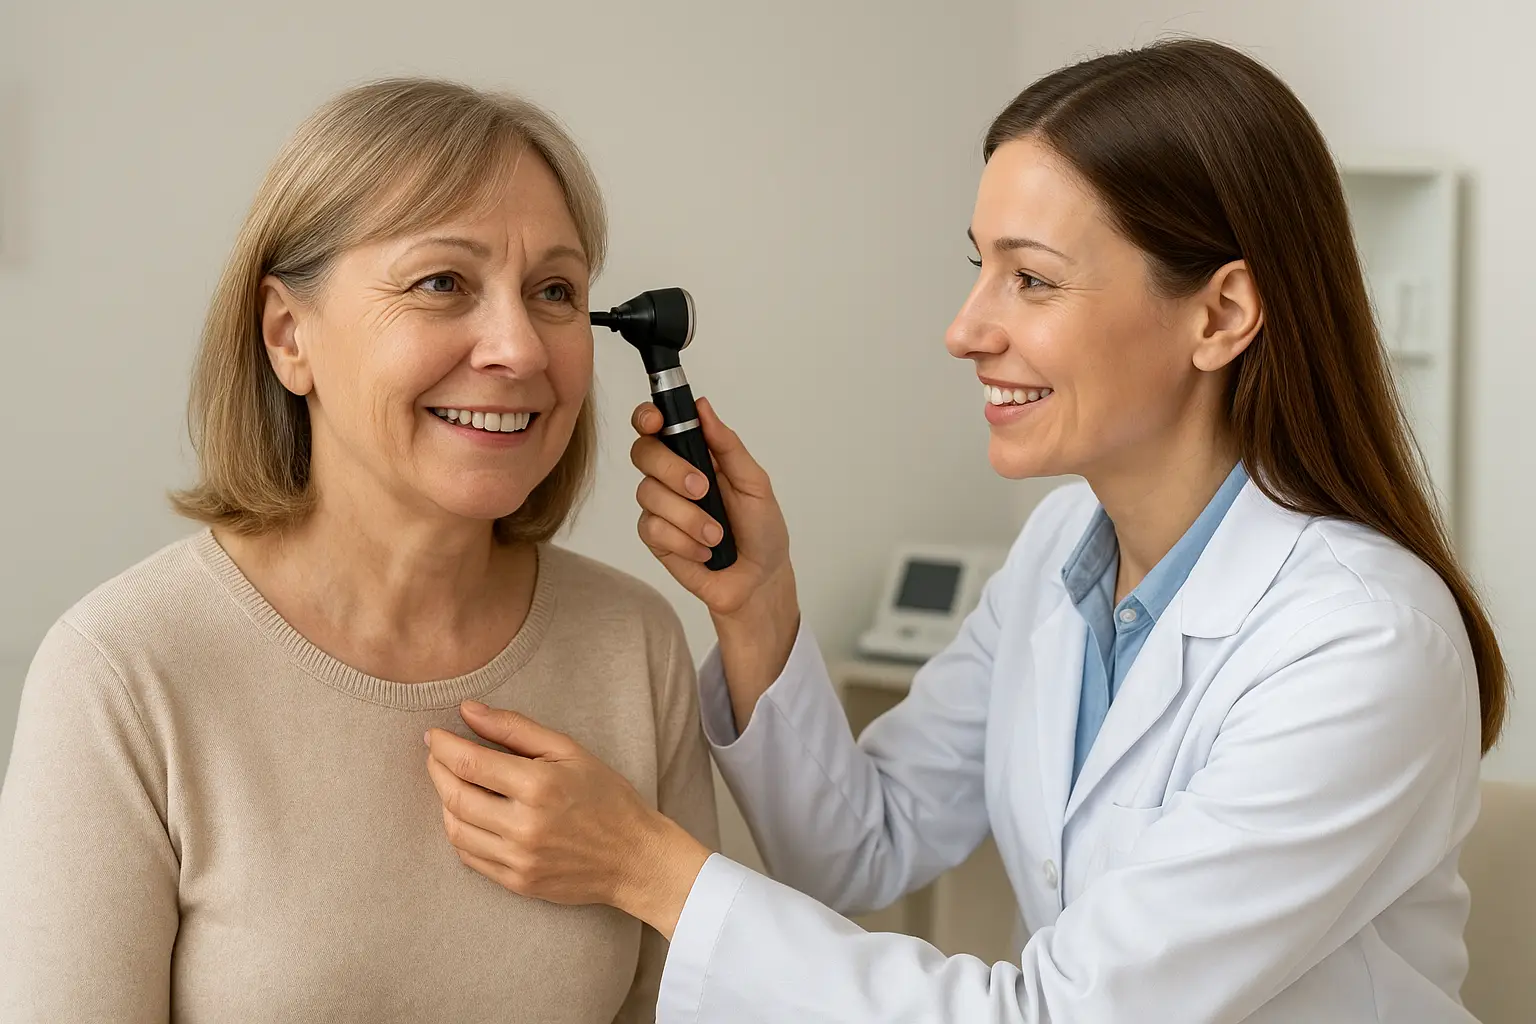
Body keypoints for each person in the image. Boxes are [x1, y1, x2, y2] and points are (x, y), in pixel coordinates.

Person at [419, 39, 1507, 1023]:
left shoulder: (1361, 642)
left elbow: (1052, 1018)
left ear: (1219, 315)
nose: (966, 328)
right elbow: (864, 846)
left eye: (1031, 278)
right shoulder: (1060, 553)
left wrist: (645, 866)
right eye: (978, 265)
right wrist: (758, 606)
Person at [0, 78, 717, 1023]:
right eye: (441, 282)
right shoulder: (125, 675)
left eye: (553, 291)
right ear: (288, 336)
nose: (519, 348)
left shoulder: (634, 644)